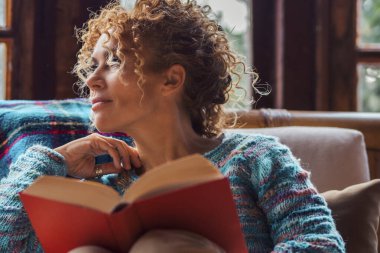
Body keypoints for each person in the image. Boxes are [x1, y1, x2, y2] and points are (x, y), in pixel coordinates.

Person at [0, 0, 345, 252]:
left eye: (115, 62)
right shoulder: (101, 188)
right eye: (93, 65)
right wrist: (55, 159)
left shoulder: (255, 157)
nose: (91, 79)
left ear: (171, 79)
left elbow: (322, 245)